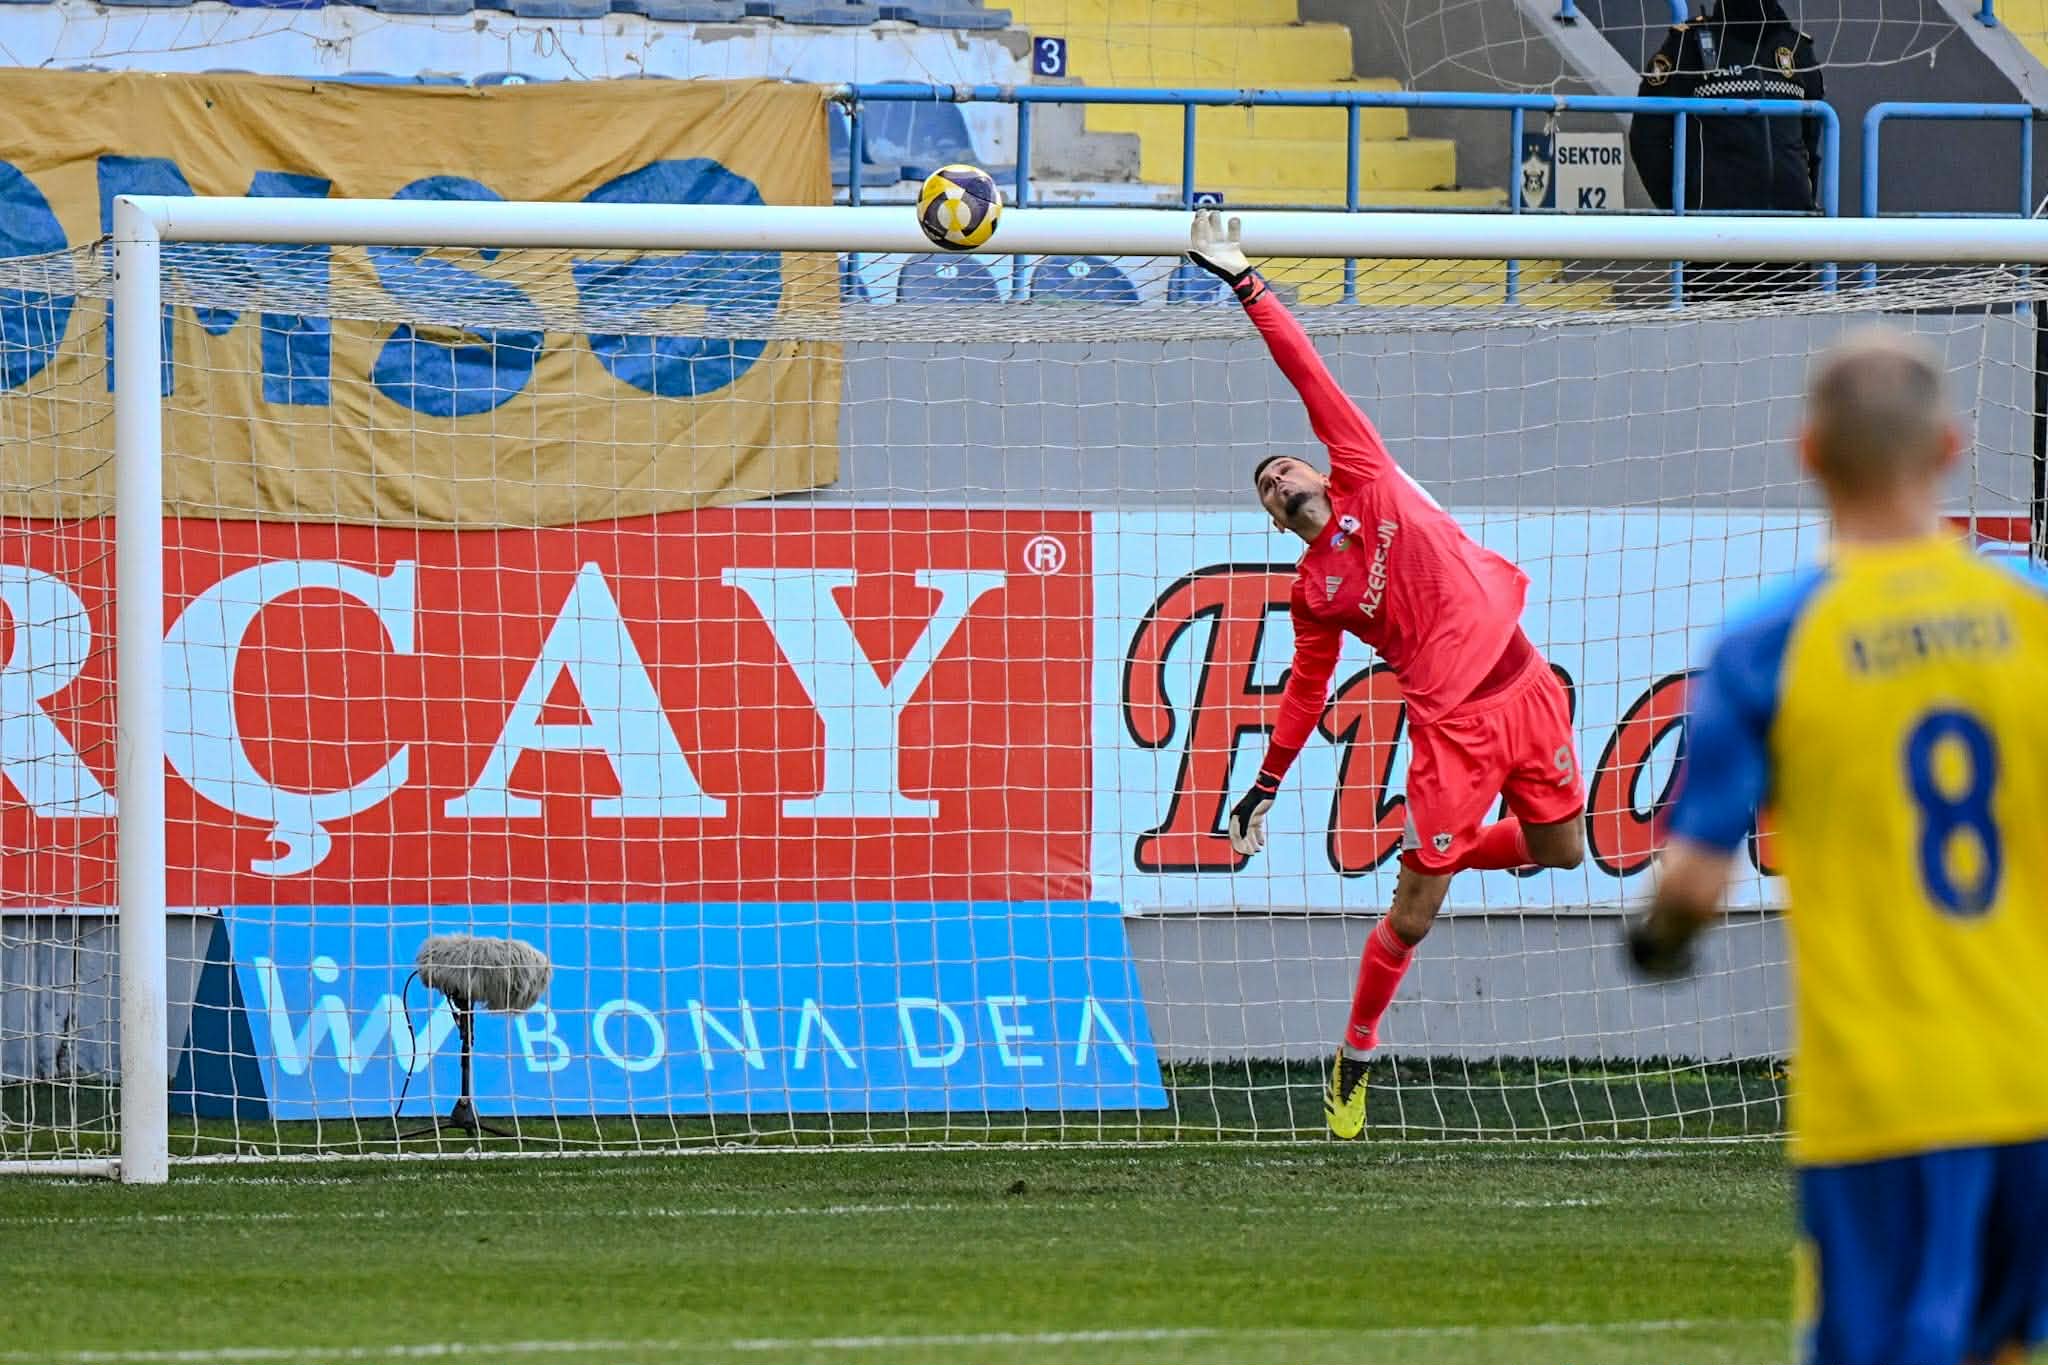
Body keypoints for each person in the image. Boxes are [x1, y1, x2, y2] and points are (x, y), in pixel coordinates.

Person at [1627, 329, 2048, 1365]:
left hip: (1879, 1094)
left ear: (1807, 452)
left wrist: (1657, 941)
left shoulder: (1769, 642)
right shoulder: (2028, 612)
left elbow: (1693, 881)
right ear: (1948, 447)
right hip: (2030, 1080)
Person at [1185, 211, 1586, 1141]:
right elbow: (1304, 692)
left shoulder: (1366, 474)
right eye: (1266, 486)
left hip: (1526, 685)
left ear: (1320, 469)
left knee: (1565, 849)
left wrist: (1243, 280)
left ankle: (1442, 847)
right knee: (1415, 913)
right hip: (1454, 730)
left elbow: (1307, 373)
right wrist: (1264, 785)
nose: (1278, 479)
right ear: (1274, 519)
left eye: (1285, 465)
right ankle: (1355, 1055)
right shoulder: (1314, 592)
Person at [1628, 0, 1824, 295]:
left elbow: (1812, 144)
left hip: (1789, 236)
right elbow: (1647, 138)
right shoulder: (1688, 45)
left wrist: (1802, 203)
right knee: (1714, 325)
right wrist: (1684, 205)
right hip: (1715, 240)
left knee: (1792, 325)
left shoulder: (1797, 48)